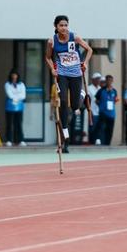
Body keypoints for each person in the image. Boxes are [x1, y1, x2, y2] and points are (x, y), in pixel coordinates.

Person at [45, 15, 93, 153]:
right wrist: (53, 69)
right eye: (61, 25)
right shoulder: (52, 42)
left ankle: (82, 94)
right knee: (63, 101)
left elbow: (89, 50)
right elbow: (48, 57)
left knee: (75, 105)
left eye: (66, 25)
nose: (64, 28)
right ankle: (64, 129)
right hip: (62, 74)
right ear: (56, 27)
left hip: (76, 74)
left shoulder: (74, 37)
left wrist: (85, 63)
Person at [4, 69, 27, 147]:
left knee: (19, 123)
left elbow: (23, 95)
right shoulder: (7, 84)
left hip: (19, 106)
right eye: (13, 75)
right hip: (10, 106)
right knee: (9, 123)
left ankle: (20, 140)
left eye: (15, 75)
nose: (14, 76)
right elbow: (9, 94)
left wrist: (16, 98)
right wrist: (16, 97)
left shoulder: (21, 84)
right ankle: (9, 140)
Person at [95, 75, 118, 145]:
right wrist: (102, 105)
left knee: (110, 130)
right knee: (101, 127)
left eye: (111, 80)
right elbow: (96, 100)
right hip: (103, 113)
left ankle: (108, 143)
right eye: (108, 80)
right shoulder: (101, 90)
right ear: (106, 81)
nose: (109, 82)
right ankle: (99, 141)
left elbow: (116, 100)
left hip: (111, 114)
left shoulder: (114, 91)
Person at [87, 72, 102, 145]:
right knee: (92, 127)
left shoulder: (100, 88)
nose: (98, 80)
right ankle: (92, 142)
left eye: (99, 79)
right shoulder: (89, 88)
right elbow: (88, 100)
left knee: (99, 128)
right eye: (97, 79)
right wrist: (89, 110)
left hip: (100, 112)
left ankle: (98, 140)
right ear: (93, 80)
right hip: (92, 111)